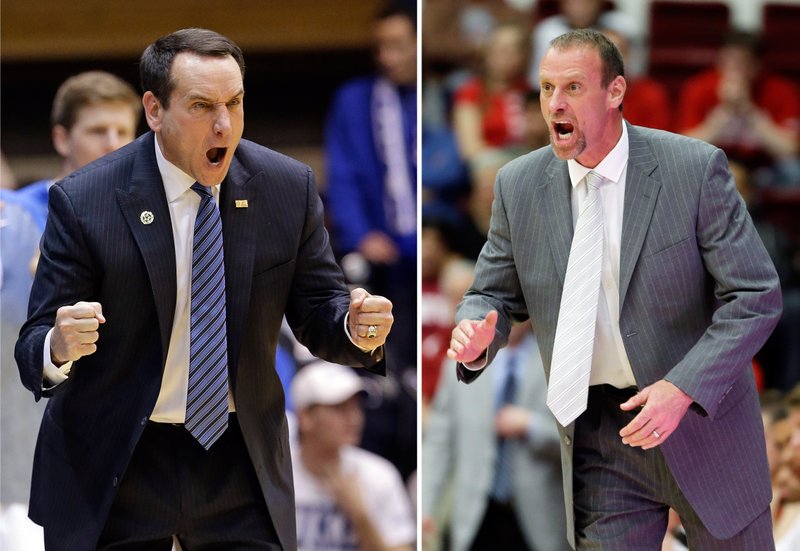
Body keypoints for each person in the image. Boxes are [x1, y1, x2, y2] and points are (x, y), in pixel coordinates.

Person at [15, 28, 394, 550]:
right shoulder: (86, 200)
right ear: (154, 111)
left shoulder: (287, 188)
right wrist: (59, 346)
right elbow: (34, 340)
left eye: (234, 103)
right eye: (201, 105)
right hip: (119, 456)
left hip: (239, 459)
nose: (224, 124)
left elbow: (319, 311)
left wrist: (355, 327)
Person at [447, 29, 782, 549]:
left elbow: (756, 296)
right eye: (545, 88)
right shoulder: (518, 185)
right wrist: (474, 335)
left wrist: (684, 387)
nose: (554, 104)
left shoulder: (692, 169)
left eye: (573, 88)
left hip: (700, 422)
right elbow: (490, 295)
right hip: (602, 435)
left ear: (616, 92)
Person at [422, 322, 569, 551]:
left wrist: (530, 425)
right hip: (476, 516)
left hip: (540, 521)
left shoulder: (559, 361)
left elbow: (579, 442)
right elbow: (438, 444)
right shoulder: (459, 362)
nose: (508, 315)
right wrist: (425, 504)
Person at [290, 361, 415, 551]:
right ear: (305, 416)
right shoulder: (276, 476)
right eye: (339, 408)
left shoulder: (380, 475)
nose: (355, 418)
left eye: (356, 407)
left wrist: (359, 515)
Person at [15, 71, 141, 230]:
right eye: (98, 131)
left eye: (122, 132)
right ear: (62, 140)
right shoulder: (17, 214)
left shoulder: (144, 212)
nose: (113, 144)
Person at [677, 30, 800, 186]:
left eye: (742, 63)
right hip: (712, 164)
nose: (733, 70)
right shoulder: (699, 87)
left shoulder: (781, 90)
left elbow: (789, 150)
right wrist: (725, 111)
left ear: (757, 66)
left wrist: (748, 110)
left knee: (794, 171)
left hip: (763, 167)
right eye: (727, 62)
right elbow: (685, 149)